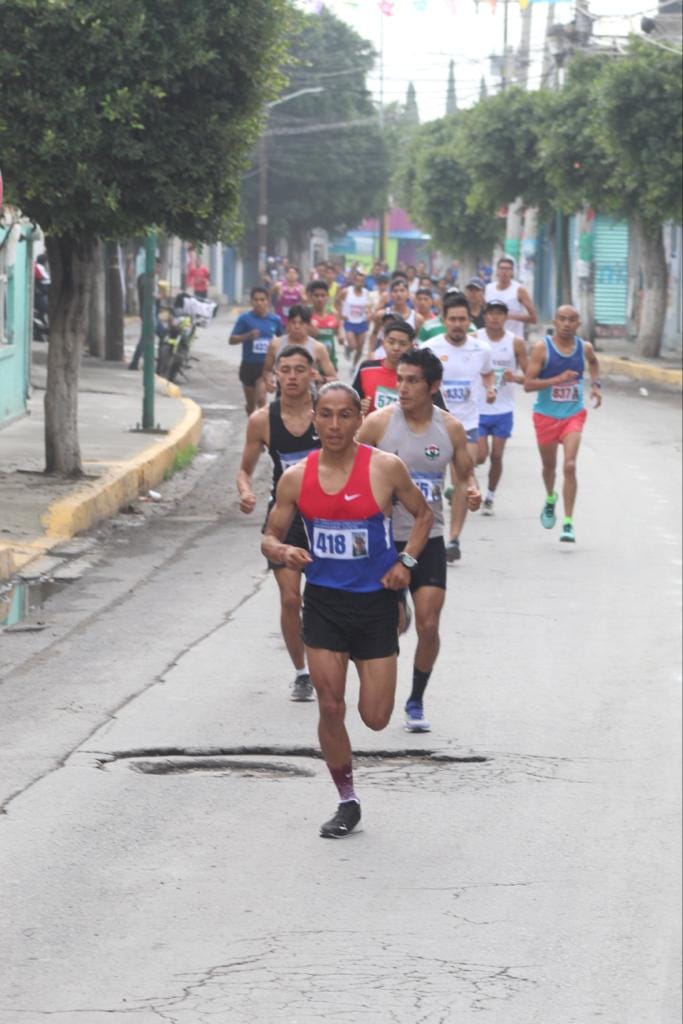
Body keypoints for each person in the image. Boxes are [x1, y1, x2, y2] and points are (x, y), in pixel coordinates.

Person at [262, 382, 433, 838]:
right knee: (330, 705)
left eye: (344, 415)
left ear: (360, 418)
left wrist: (407, 564)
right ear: (314, 419)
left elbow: (423, 515)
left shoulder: (385, 468)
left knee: (376, 718)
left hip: (376, 602)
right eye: (325, 415)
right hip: (325, 605)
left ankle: (399, 620)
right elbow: (269, 535)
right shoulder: (297, 477)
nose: (334, 425)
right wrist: (283, 552)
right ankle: (346, 799)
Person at [358, 348, 480, 732]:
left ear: (434, 386)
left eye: (413, 381)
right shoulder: (378, 424)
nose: (403, 388)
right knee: (388, 626)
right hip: (382, 541)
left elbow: (465, 475)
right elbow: (347, 463)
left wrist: (472, 490)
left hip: (429, 538)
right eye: (401, 379)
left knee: (429, 624)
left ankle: (415, 699)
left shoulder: (450, 429)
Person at [236, 345, 321, 701]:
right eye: (284, 370)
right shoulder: (262, 421)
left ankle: (330, 659)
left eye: (299, 370)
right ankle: (302, 673)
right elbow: (245, 470)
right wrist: (244, 492)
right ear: (275, 376)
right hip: (284, 519)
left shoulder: (328, 413)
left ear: (312, 374)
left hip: (328, 520)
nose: (291, 377)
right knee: (290, 599)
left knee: (324, 600)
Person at [424, 295, 495, 562]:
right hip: (434, 426)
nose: (457, 324)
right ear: (444, 320)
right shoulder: (430, 348)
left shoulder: (481, 349)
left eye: (462, 319)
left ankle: (453, 539)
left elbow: (488, 372)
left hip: (467, 425)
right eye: (452, 319)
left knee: (463, 478)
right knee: (428, 483)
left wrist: (490, 388)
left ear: (469, 321)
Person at [524, 305, 602, 543]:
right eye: (563, 319)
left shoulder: (583, 347)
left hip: (573, 415)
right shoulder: (542, 348)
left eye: (572, 320)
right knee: (550, 468)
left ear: (578, 324)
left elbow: (594, 362)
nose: (567, 324)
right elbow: (528, 384)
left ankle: (568, 523)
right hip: (546, 416)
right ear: (555, 322)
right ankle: (550, 497)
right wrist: (557, 379)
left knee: (569, 465)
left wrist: (596, 386)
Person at [475, 299, 528, 515]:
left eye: (500, 313)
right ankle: (465, 483)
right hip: (478, 408)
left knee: (496, 456)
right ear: (485, 315)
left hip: (503, 409)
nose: (495, 317)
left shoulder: (515, 342)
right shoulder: (474, 339)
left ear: (506, 317)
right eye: (491, 313)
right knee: (479, 455)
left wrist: (514, 377)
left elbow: (529, 377)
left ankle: (490, 495)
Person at [229, 286, 283, 413]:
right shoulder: (245, 319)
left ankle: (263, 430)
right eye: (256, 300)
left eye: (262, 299)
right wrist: (247, 335)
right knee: (251, 404)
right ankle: (252, 424)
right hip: (248, 366)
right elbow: (231, 340)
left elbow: (283, 339)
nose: (259, 303)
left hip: (265, 367)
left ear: (268, 301)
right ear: (251, 301)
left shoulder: (275, 320)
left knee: (261, 399)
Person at [262, 305, 336, 393]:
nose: (297, 327)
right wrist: (268, 380)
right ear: (288, 323)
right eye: (293, 322)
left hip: (308, 397)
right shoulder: (275, 344)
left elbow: (334, 378)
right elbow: (266, 370)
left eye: (301, 323)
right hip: (282, 396)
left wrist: (321, 379)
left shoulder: (318, 348)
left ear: (308, 325)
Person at [352, 319, 416, 415]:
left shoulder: (419, 375)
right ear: (383, 343)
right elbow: (351, 401)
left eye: (402, 344)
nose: (396, 348)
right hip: (370, 428)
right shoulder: (366, 368)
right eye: (391, 342)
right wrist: (359, 406)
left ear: (411, 346)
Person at [129, 257, 168, 371]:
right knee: (146, 338)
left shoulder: (152, 278)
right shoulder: (144, 278)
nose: (159, 269)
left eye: (160, 266)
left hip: (153, 313)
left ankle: (159, 362)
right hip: (148, 313)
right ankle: (135, 362)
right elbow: (148, 294)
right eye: (157, 266)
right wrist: (158, 296)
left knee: (162, 334)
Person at [485, 257, 537, 336]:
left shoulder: (519, 290)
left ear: (512, 272)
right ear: (497, 271)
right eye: (502, 268)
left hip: (513, 339)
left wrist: (510, 316)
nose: (504, 272)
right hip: (491, 339)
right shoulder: (488, 288)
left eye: (508, 269)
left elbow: (533, 318)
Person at [336, 269, 371, 368]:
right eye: (357, 280)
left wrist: (368, 315)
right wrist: (340, 314)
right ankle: (348, 348)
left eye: (362, 281)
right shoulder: (346, 291)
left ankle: (354, 366)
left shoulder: (366, 293)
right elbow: (337, 302)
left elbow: (368, 307)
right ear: (354, 281)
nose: (359, 283)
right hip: (350, 322)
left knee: (360, 349)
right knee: (353, 345)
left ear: (364, 283)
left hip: (362, 322)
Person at [308, 280, 344, 371]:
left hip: (330, 361)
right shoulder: (305, 314)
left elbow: (338, 329)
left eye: (323, 296)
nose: (320, 299)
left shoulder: (333, 314)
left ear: (327, 297)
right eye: (316, 296)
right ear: (310, 297)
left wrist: (340, 336)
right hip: (311, 363)